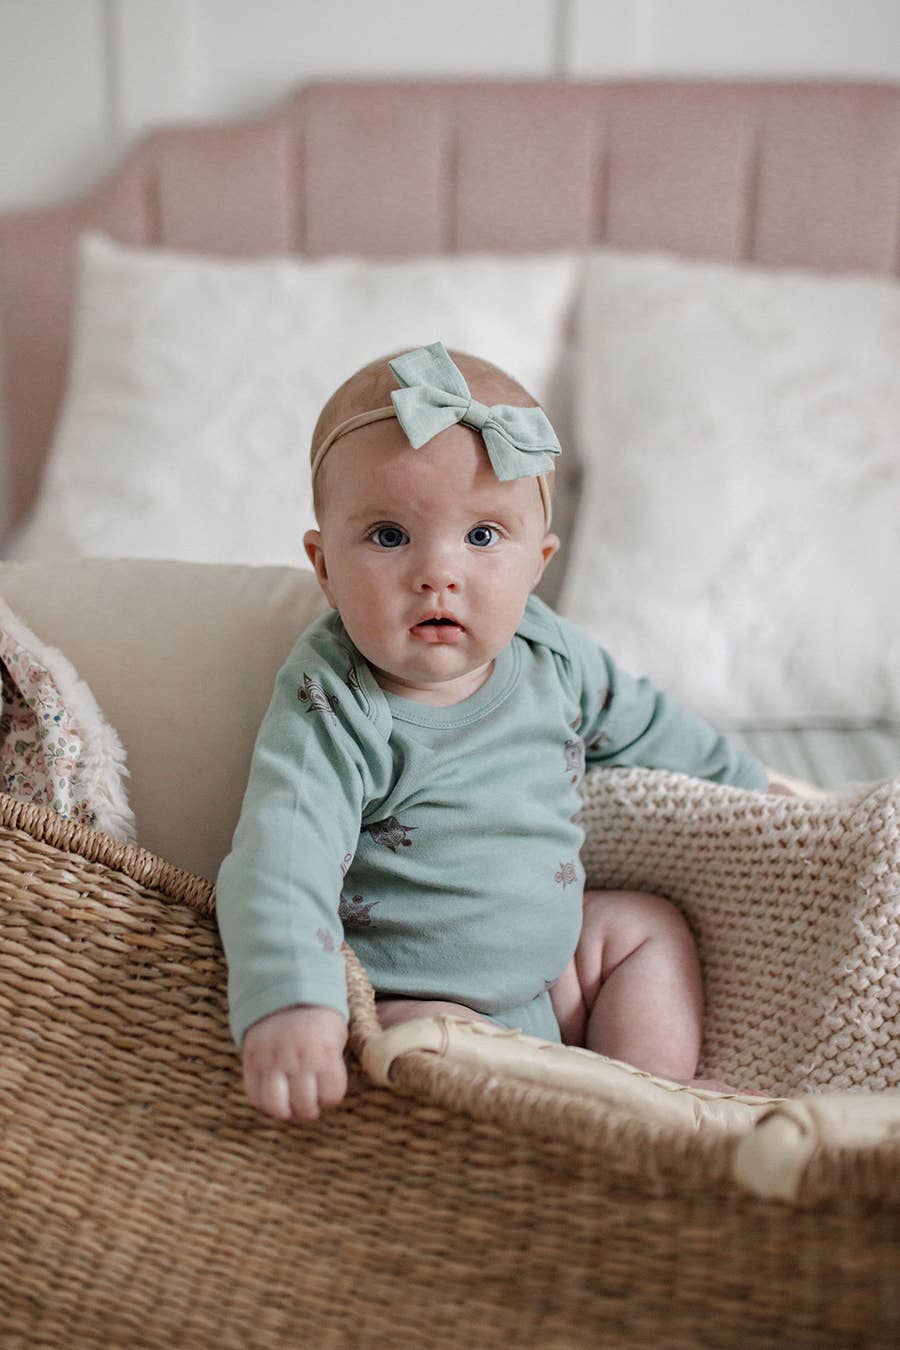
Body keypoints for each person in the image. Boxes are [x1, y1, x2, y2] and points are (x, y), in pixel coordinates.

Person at [216, 341, 769, 1123]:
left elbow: (649, 721)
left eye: (482, 537)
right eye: (387, 535)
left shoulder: (550, 651)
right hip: (424, 1005)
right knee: (416, 1043)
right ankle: (612, 1110)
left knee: (644, 929)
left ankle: (655, 1095)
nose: (438, 572)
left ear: (537, 561)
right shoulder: (334, 695)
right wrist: (292, 1000)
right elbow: (283, 851)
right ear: (324, 565)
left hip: (555, 985)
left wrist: (759, 793)